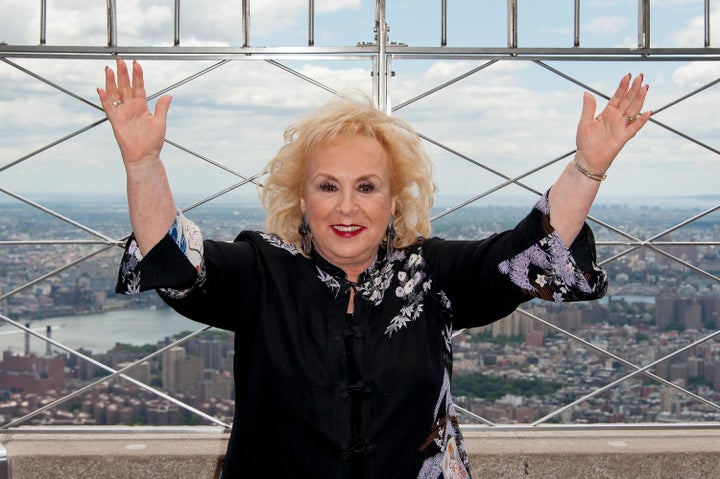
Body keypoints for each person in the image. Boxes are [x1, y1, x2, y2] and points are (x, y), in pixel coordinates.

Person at [98, 58, 650, 479]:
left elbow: (529, 255)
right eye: (327, 187)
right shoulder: (263, 270)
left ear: (393, 200)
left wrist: (587, 168)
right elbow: (174, 261)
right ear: (301, 198)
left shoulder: (431, 274)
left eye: (366, 187)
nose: (346, 207)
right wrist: (142, 162)